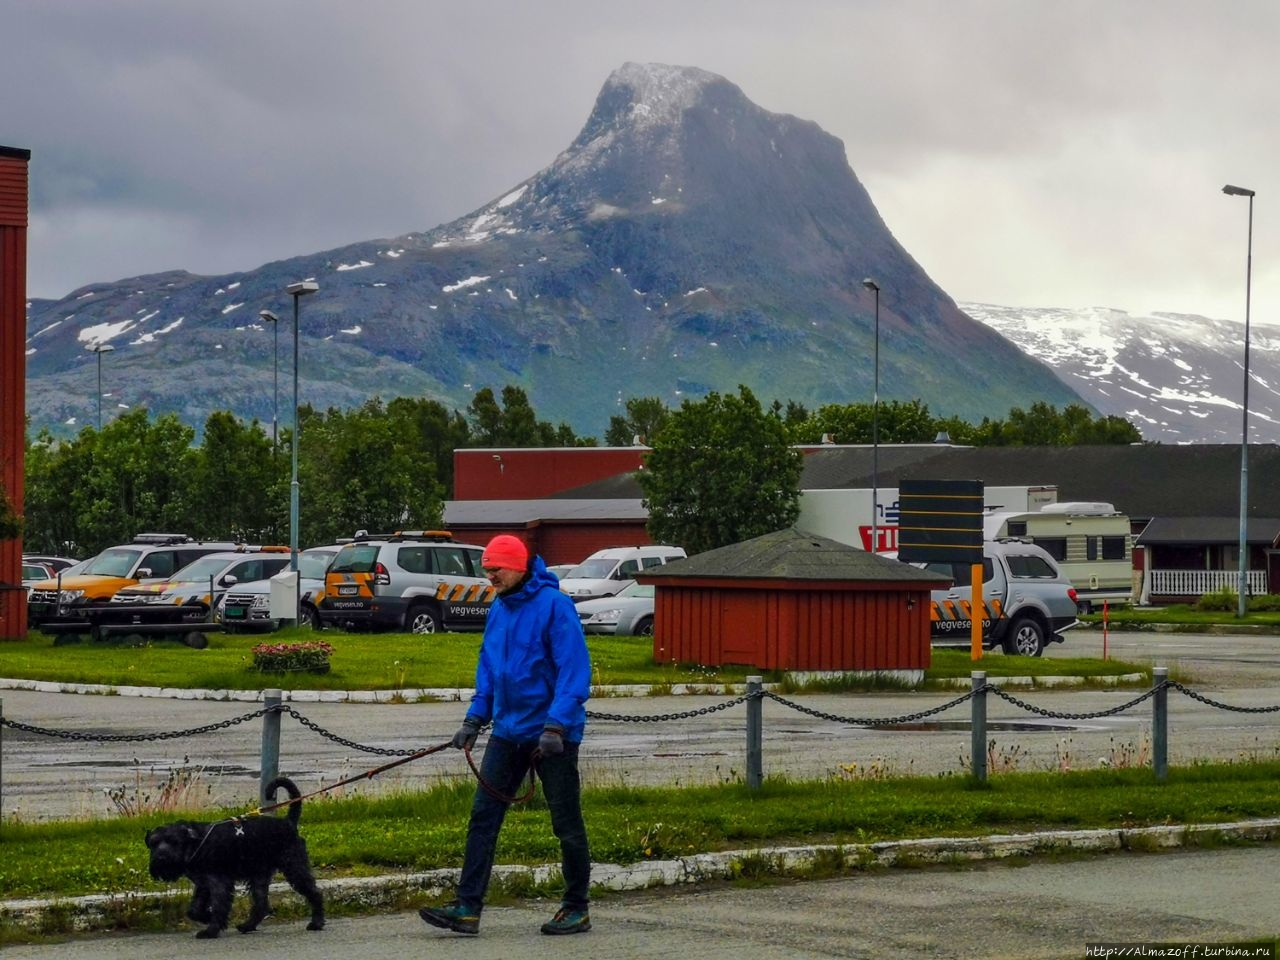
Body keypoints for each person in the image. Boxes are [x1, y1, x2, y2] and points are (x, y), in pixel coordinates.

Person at [419, 534, 593, 937]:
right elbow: (490, 669)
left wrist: (556, 725)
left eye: (496, 568)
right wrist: (474, 719)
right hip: (507, 732)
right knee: (482, 817)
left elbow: (574, 672)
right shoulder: (499, 608)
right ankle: (467, 907)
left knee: (566, 822)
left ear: (518, 565)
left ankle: (576, 907)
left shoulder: (556, 607)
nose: (489, 575)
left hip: (552, 735)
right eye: (487, 569)